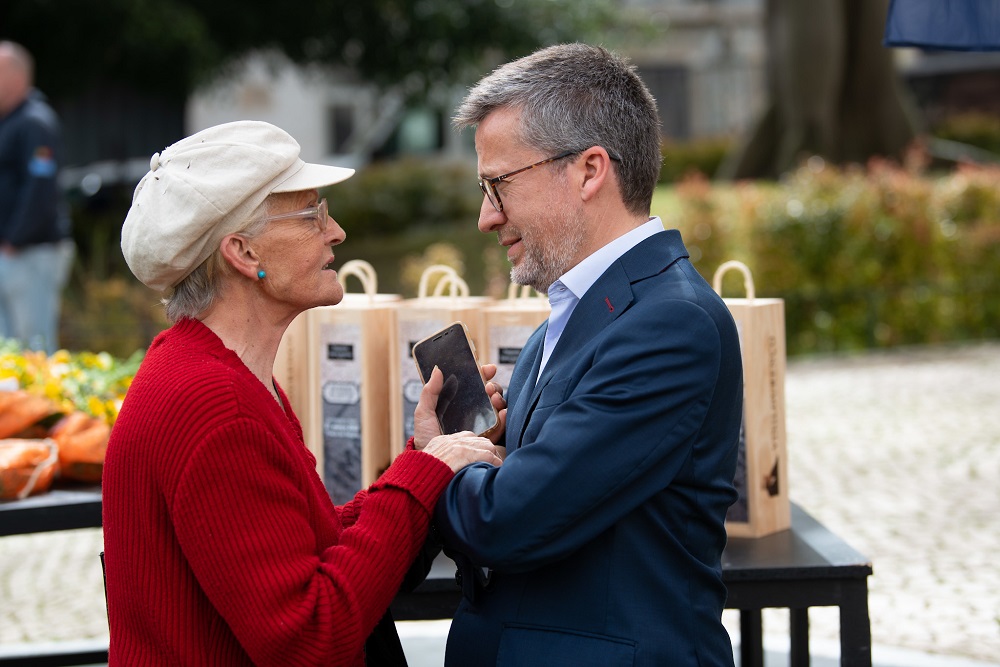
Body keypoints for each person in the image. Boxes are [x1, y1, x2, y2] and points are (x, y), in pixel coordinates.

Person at [103, 120, 504, 666]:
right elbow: (310, 636)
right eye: (312, 213)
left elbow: (305, 550)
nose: (335, 230)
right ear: (243, 253)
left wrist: (424, 460)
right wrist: (424, 475)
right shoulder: (217, 408)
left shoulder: (215, 373)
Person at [419, 43, 745, 666]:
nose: (487, 217)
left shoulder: (670, 323)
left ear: (590, 170)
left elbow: (511, 520)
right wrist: (486, 447)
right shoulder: (569, 318)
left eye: (498, 185)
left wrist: (439, 464)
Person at [0, 41, 75, 353]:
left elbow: (40, 190)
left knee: (34, 347)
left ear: (16, 77)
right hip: (13, 253)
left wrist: (14, 241)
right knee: (9, 350)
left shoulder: (34, 122)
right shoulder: (9, 122)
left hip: (30, 252)